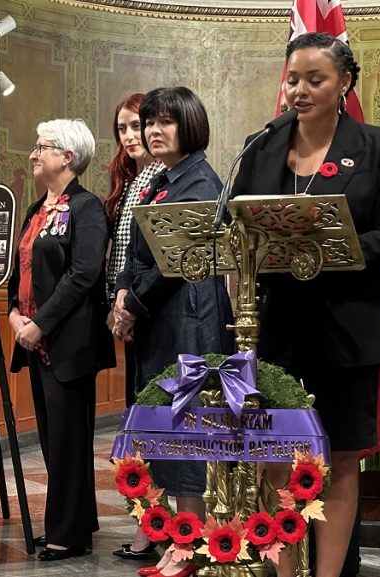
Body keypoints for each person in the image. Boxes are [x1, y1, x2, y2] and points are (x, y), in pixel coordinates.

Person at [229, 32, 380, 577]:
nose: (299, 91)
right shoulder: (261, 146)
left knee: (339, 460)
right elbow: (234, 225)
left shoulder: (376, 146)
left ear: (344, 83)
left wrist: (337, 248)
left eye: (315, 79)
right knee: (277, 458)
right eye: (292, 80)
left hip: (346, 328)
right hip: (276, 328)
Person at [113, 86, 234, 577]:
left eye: (165, 122)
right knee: (166, 429)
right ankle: (179, 540)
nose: (152, 131)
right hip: (160, 319)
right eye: (148, 123)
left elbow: (172, 263)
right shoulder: (162, 180)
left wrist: (132, 304)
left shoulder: (200, 181)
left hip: (190, 320)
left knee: (189, 432)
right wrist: (123, 294)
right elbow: (136, 250)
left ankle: (191, 544)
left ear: (190, 126)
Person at [7, 118, 115, 562]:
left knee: (69, 440)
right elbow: (22, 270)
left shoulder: (87, 208)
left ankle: (66, 534)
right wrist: (15, 314)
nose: (34, 154)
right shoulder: (36, 210)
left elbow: (85, 273)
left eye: (42, 147)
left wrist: (41, 324)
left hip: (67, 342)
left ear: (66, 157)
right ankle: (76, 524)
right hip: (34, 340)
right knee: (53, 440)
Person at [104, 92, 166, 562]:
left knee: (153, 425)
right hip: (129, 310)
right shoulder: (130, 182)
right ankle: (151, 526)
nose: (130, 137)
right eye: (122, 129)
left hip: (152, 311)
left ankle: (158, 530)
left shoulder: (160, 178)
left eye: (136, 126)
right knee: (138, 425)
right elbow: (123, 257)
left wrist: (130, 304)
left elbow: (152, 257)